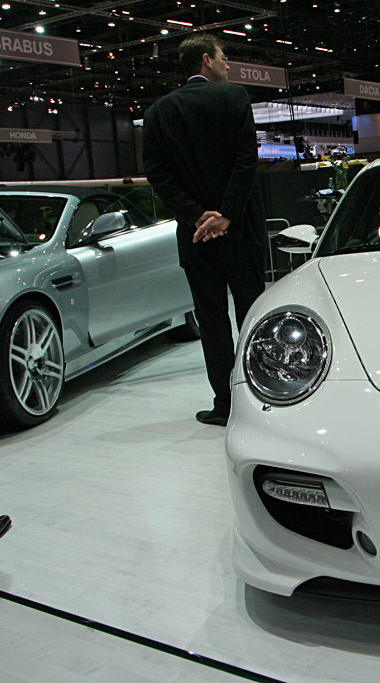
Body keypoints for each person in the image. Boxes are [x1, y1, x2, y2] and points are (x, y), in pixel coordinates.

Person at [143, 34, 268, 424]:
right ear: (205, 60)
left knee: (211, 321)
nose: (227, 64)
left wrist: (197, 216)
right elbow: (246, 160)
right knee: (253, 315)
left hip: (196, 236)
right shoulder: (234, 97)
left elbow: (157, 174)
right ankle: (265, 398)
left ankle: (225, 405)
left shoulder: (158, 112)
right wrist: (227, 215)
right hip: (241, 229)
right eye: (223, 57)